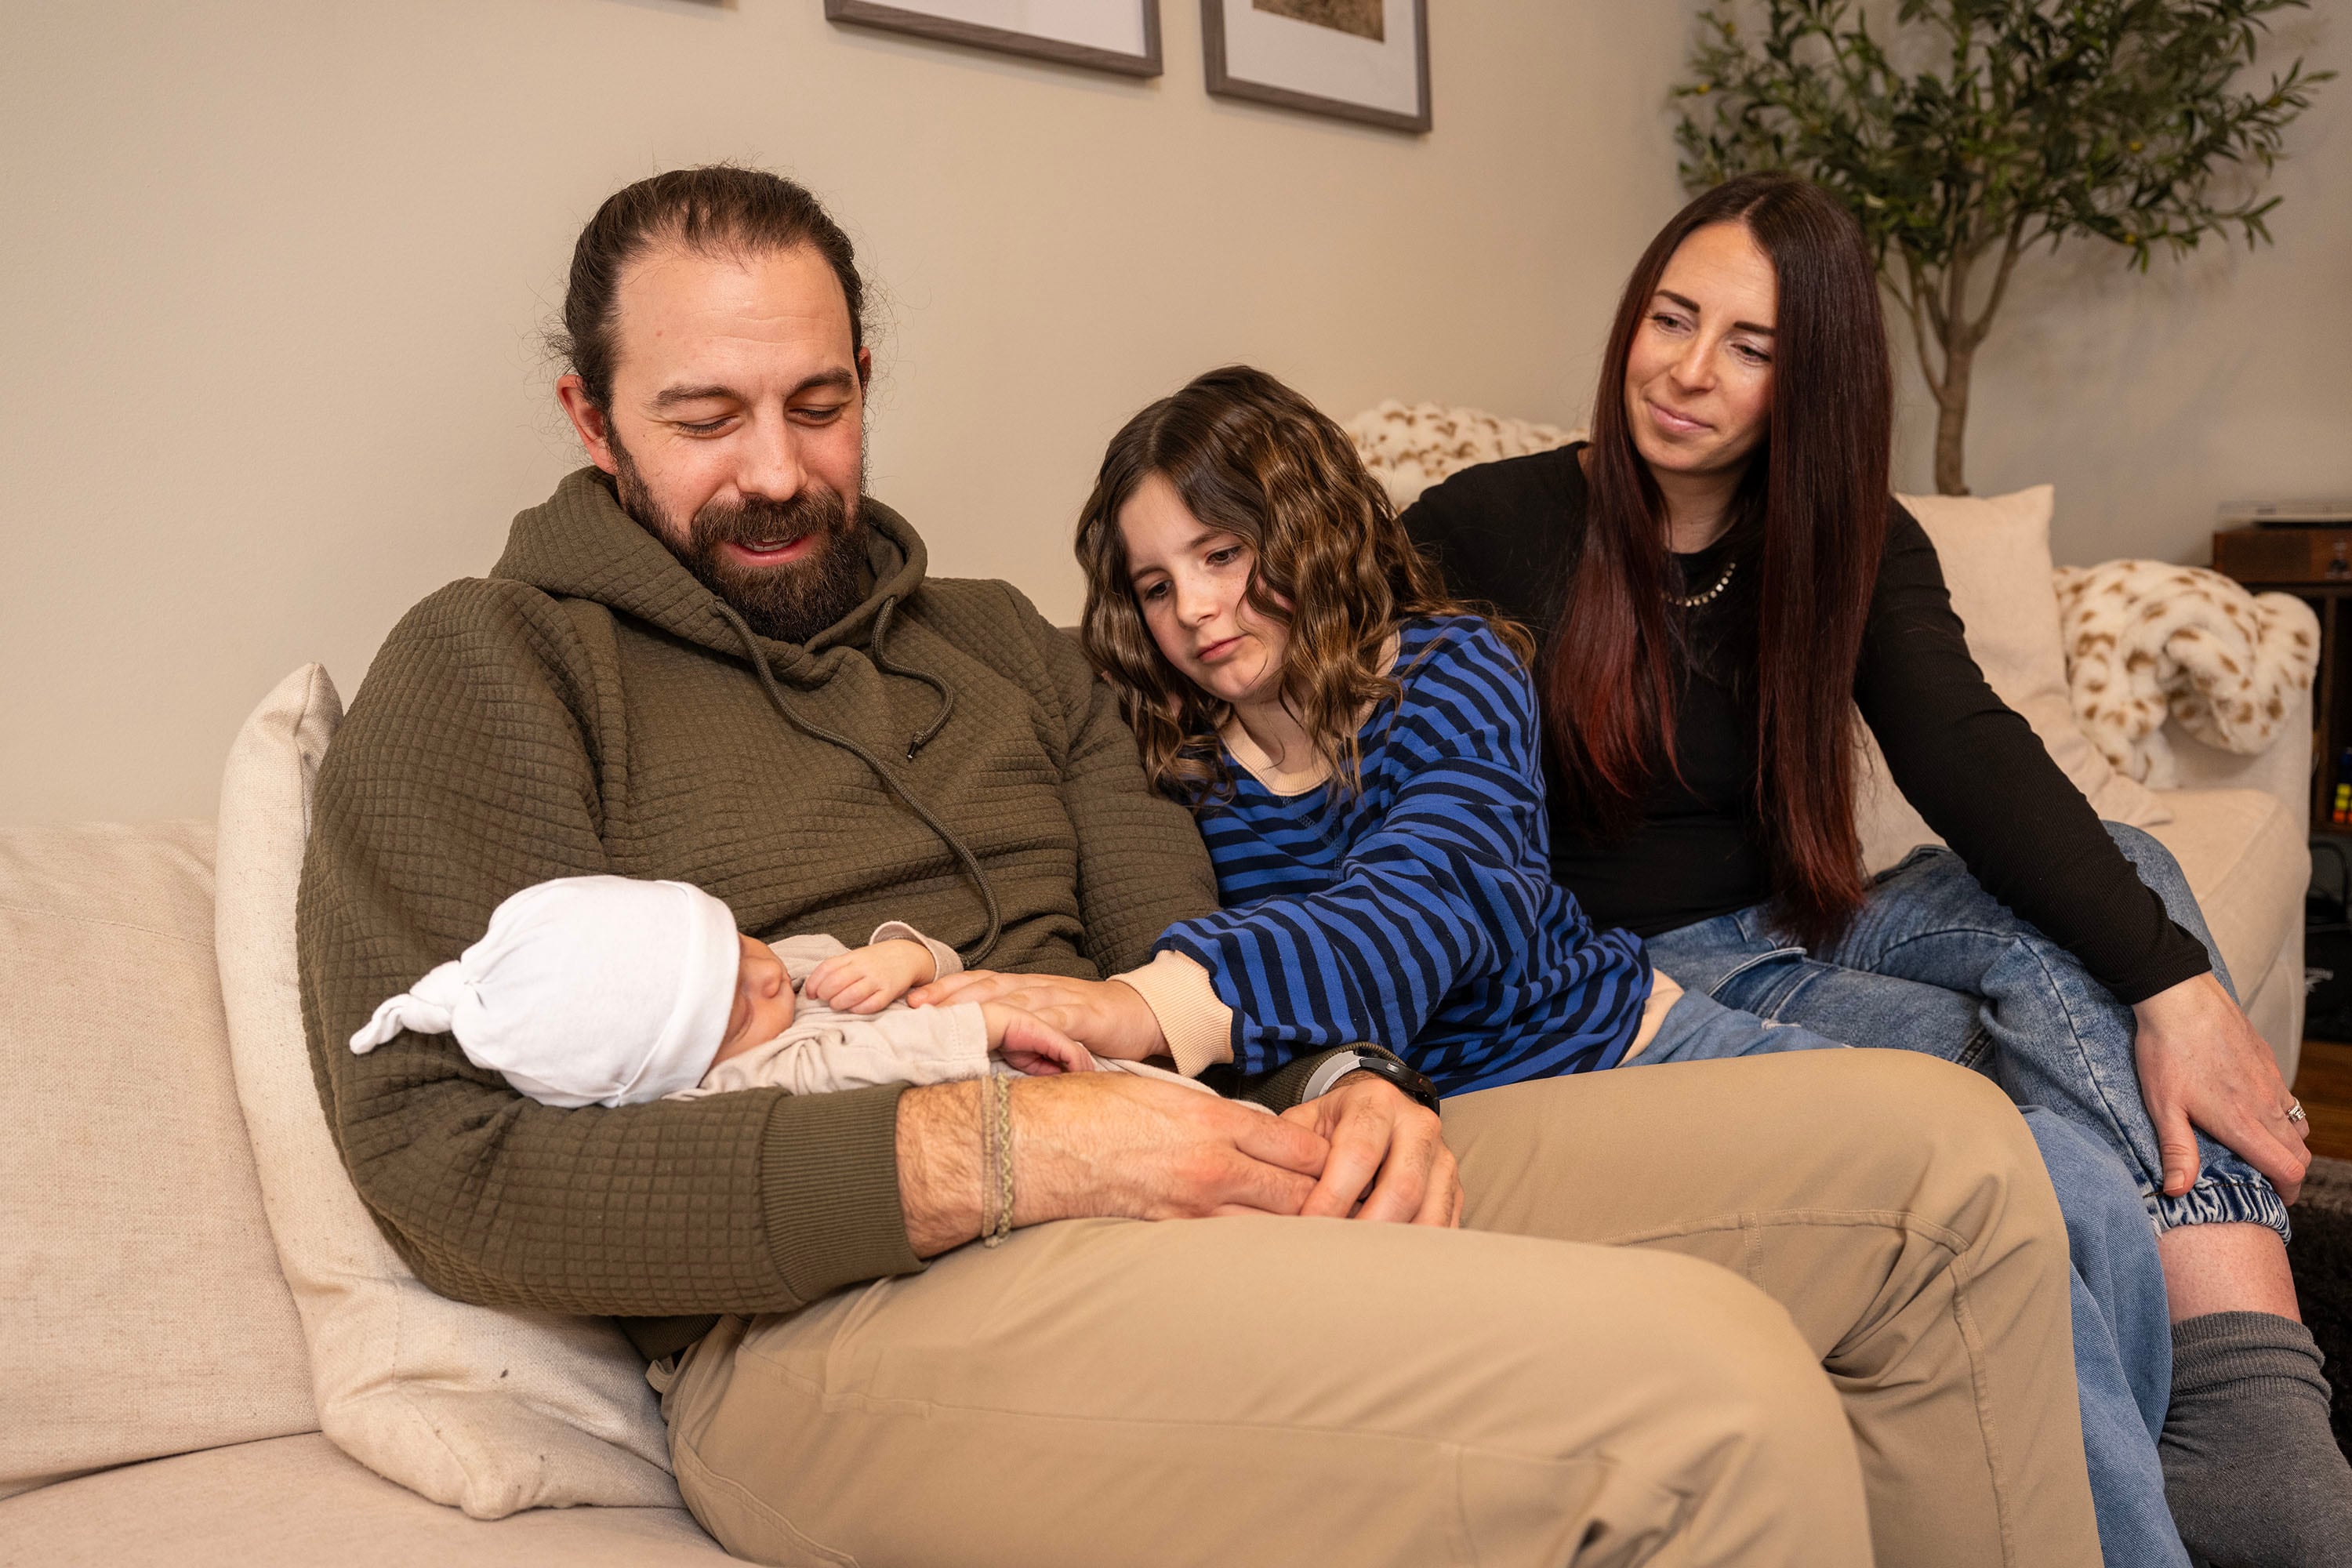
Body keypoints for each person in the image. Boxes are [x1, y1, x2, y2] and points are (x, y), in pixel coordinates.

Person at [296, 163, 2102, 1566]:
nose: (777, 470)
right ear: (586, 414)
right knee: (1704, 1392)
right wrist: (990, 1143)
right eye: (705, 417)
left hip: (1214, 1147)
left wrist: (1343, 1064)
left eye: (821, 403)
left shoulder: (996, 635)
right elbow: (451, 1167)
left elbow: (1190, 911)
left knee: (1939, 1166)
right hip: (834, 1315)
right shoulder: (490, 663)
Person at [944, 358, 2177, 1565]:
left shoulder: (1450, 671)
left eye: (1222, 556)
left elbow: (1424, 908)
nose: (1198, 612)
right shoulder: (1174, 763)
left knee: (2065, 1173)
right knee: (1995, 1200)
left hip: (1641, 1039)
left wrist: (1140, 1007)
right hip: (1475, 1120)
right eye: (1157, 587)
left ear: (1307, 529)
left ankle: (2129, 1513)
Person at [1401, 169, 2350, 1568]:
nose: (1685, 372)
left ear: (1811, 384)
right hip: (1637, 978)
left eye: (1749, 348)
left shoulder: (1846, 536)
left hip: (1810, 923)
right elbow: (1381, 788)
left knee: (2125, 892)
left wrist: (2183, 987)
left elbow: (1968, 751)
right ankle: (2216, 1461)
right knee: (2025, 1125)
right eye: (1671, 318)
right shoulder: (1481, 528)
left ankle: (2232, 1389)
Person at [344, 873, 1161, 1104]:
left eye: (735, 939)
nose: (770, 972)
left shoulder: (787, 968)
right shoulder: (738, 1081)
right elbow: (840, 1070)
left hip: (1080, 1070)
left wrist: (910, 959)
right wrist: (975, 1028)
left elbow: (949, 971)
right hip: (1046, 1111)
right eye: (737, 1001)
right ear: (688, 1063)